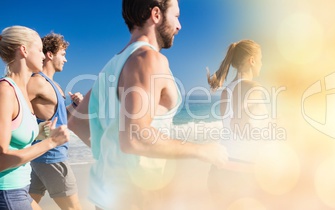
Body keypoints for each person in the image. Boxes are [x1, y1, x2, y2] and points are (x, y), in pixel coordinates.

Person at [68, 0, 228, 209]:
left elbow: (76, 122)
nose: (179, 26)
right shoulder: (148, 58)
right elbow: (135, 136)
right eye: (176, 16)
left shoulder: (113, 65)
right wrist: (203, 150)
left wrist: (112, 158)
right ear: (156, 14)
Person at [0, 25, 70, 210]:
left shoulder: (22, 92)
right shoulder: (6, 91)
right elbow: (1, 159)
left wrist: (42, 132)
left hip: (21, 189)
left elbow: (16, 136)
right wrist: (51, 143)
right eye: (39, 50)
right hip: (8, 193)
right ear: (23, 50)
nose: (42, 55)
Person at [206, 39, 267, 208]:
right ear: (252, 60)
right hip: (241, 174)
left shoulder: (227, 90)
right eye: (260, 59)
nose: (261, 64)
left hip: (220, 170)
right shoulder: (253, 87)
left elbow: (233, 127)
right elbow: (250, 129)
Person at [27, 33, 83, 210]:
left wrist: (74, 106)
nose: (66, 60)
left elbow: (57, 119)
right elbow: (14, 113)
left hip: (42, 157)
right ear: (49, 55)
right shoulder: (37, 82)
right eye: (63, 54)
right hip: (52, 157)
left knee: (26, 202)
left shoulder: (54, 85)